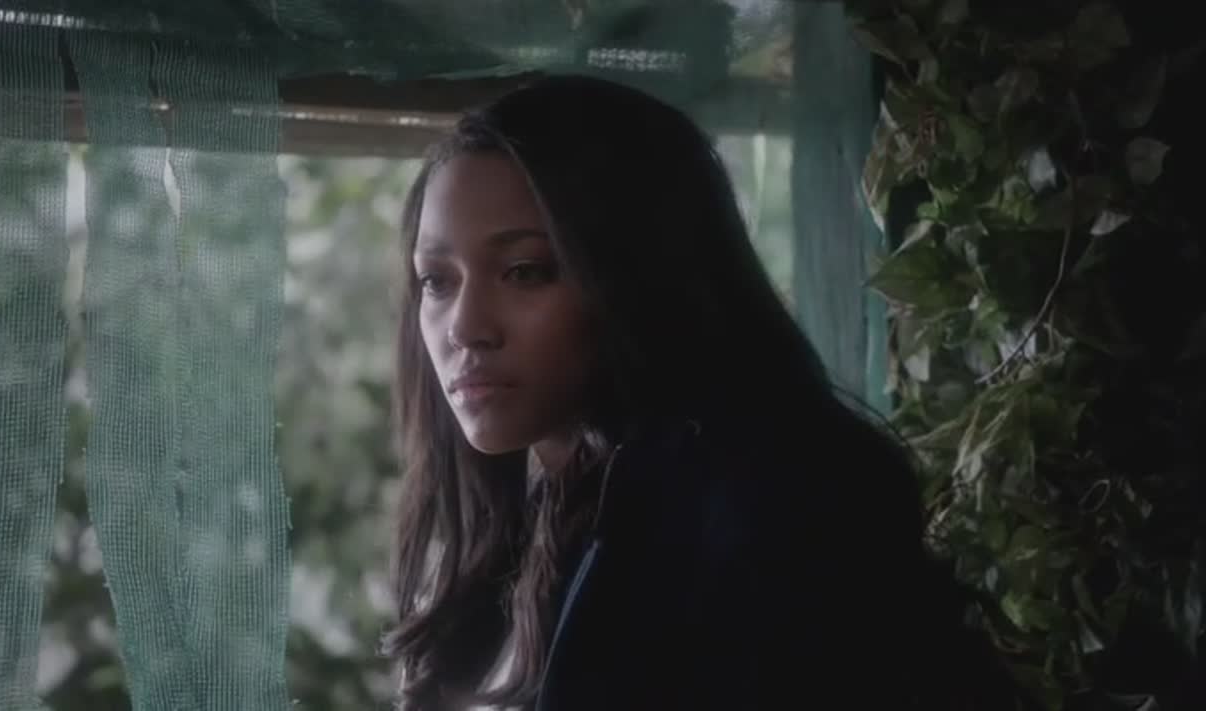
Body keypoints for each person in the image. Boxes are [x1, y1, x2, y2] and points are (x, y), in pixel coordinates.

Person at [381, 74, 1015, 711]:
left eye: (525, 271)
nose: (464, 327)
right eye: (436, 281)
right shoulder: (514, 539)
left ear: (638, 270)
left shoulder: (779, 511)